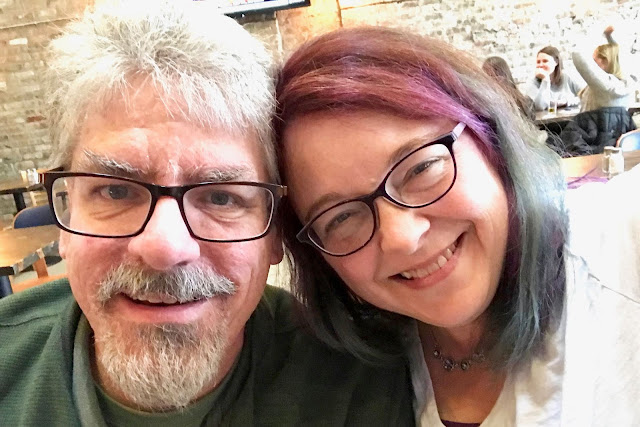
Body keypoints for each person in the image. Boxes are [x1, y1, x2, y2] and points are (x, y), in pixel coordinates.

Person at [0, 4, 414, 425]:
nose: (165, 248)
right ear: (67, 213)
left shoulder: (353, 385)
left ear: (275, 232)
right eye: (116, 191)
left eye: (220, 198)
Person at [275, 26, 640, 426]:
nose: (402, 238)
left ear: (490, 138)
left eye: (421, 168)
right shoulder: (347, 378)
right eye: (341, 217)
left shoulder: (622, 241)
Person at [573, 26, 632, 112]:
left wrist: (597, 32)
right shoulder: (625, 83)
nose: (592, 64)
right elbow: (620, 55)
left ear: (605, 60)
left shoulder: (604, 85)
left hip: (594, 121)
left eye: (594, 59)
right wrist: (609, 37)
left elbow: (577, 55)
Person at [524, 46, 584, 111]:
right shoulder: (532, 81)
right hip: (546, 117)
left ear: (556, 62)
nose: (541, 65)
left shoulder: (568, 76)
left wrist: (566, 102)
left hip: (571, 116)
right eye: (538, 62)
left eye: (545, 61)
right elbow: (539, 107)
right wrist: (545, 80)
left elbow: (585, 97)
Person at [482, 56, 535, 120]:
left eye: (492, 76)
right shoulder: (525, 102)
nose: (489, 81)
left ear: (503, 77)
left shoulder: (525, 103)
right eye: (486, 77)